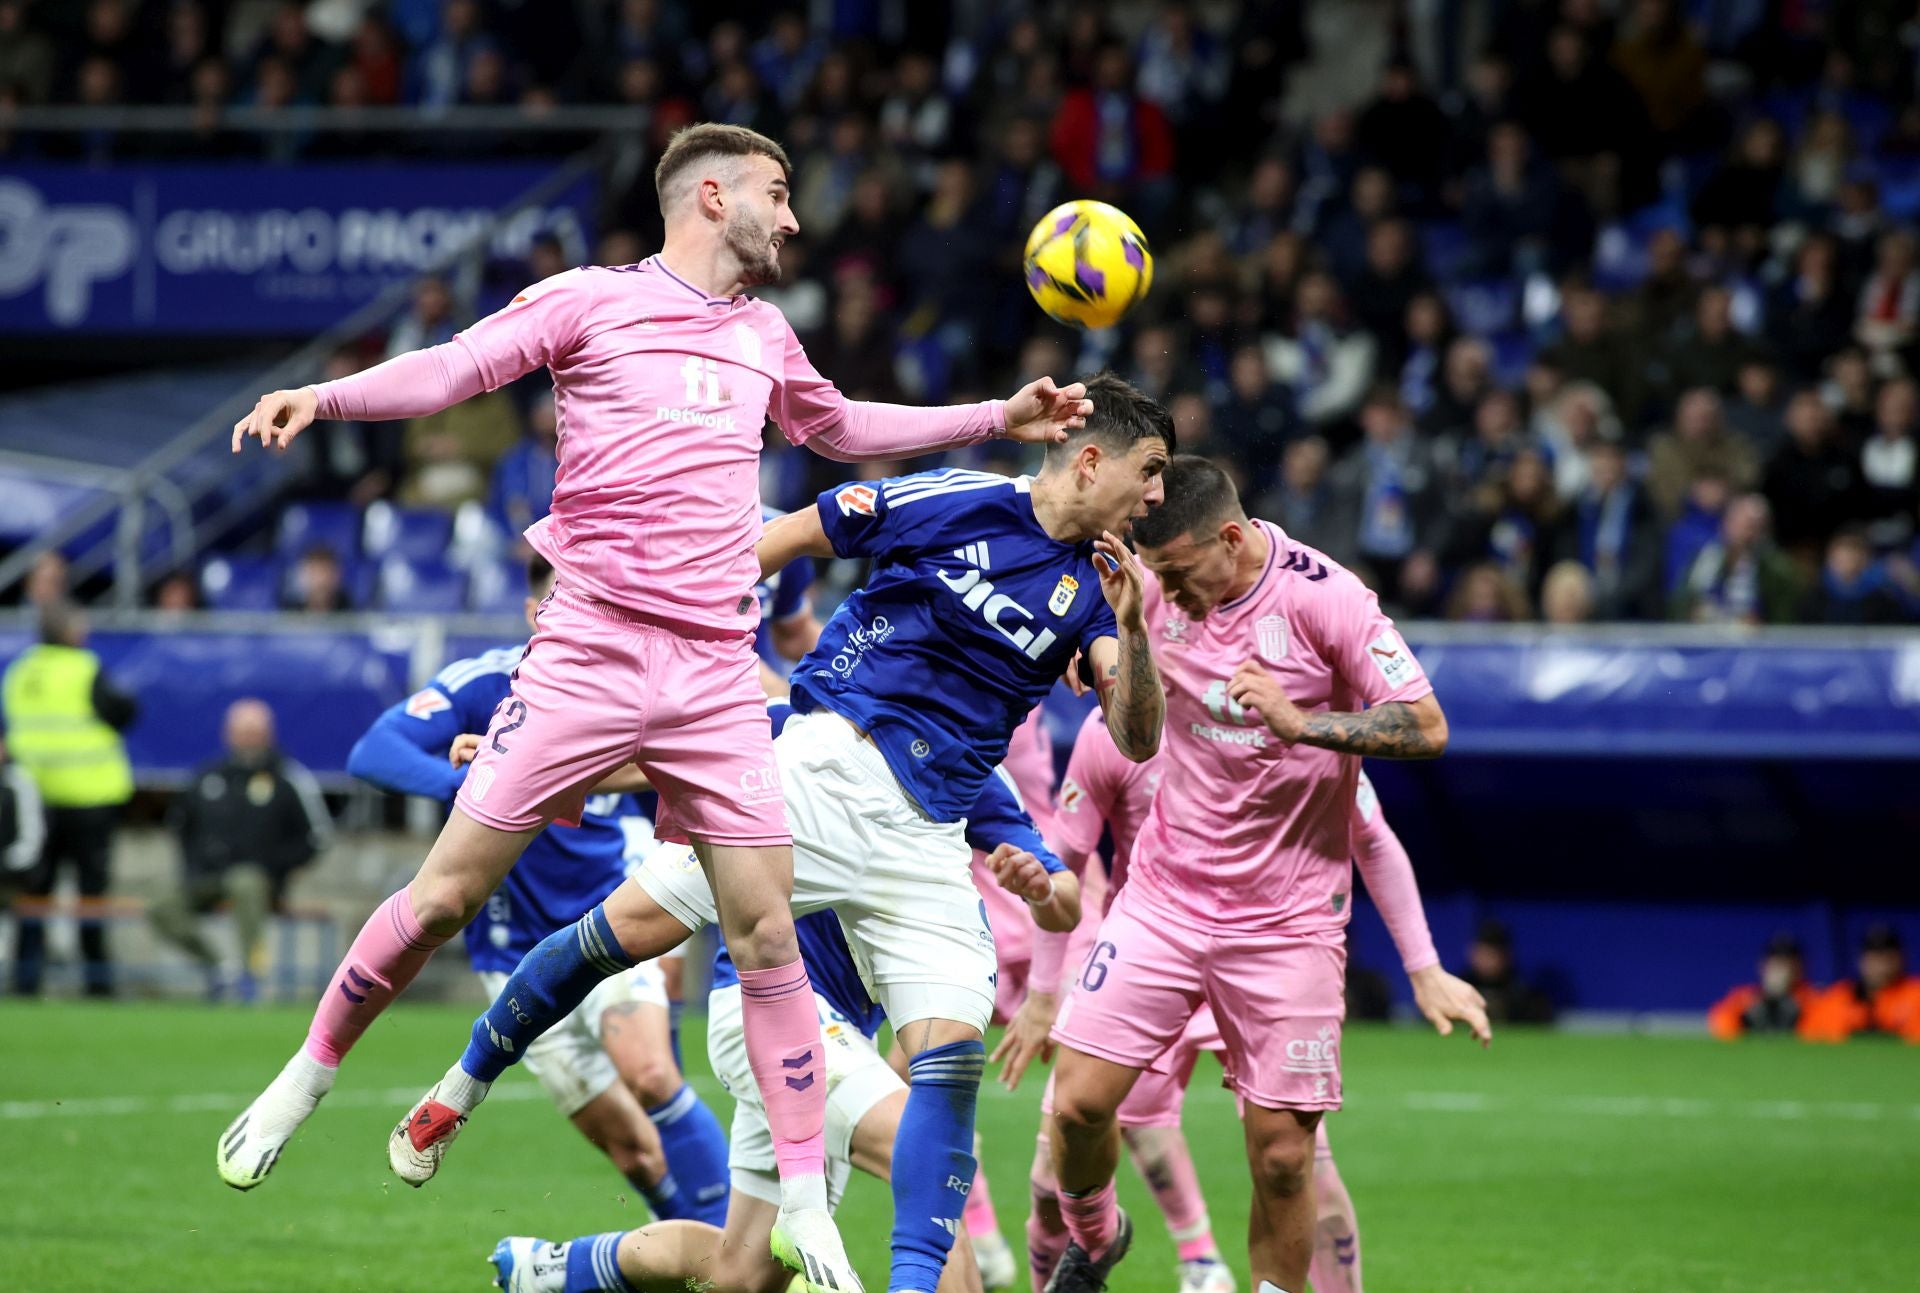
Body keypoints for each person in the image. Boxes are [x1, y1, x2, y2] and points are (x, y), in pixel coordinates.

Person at [221, 122, 1089, 1290]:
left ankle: (809, 1216)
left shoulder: (766, 337)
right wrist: (321, 398)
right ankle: (307, 1075)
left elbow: (842, 430)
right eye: (778, 196)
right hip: (588, 651)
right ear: (712, 195)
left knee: (767, 932)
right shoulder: (590, 301)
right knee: (445, 895)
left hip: (714, 675)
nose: (792, 219)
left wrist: (995, 417)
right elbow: (453, 370)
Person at [411, 375, 1170, 1293]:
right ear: (1091, 459)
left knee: (757, 1258)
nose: (1158, 496)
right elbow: (793, 538)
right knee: (625, 933)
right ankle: (463, 1082)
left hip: (921, 835)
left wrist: (1133, 630)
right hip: (822, 774)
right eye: (1151, 471)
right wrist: (631, 690)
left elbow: (1135, 739)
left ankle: (552, 1269)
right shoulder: (956, 499)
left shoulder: (1094, 598)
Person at [1041, 456, 1464, 1293]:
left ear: (1231, 539)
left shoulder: (1327, 597)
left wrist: (1302, 722)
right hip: (1162, 899)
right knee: (1080, 1103)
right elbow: (1130, 736)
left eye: (1184, 574)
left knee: (1280, 1158)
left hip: (1288, 922)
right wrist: (1125, 632)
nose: (1174, 596)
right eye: (1159, 575)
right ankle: (1098, 1234)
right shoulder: (1148, 591)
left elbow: (1427, 726)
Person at [488, 698, 1075, 1293]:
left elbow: (1064, 896)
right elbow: (653, 750)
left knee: (740, 1273)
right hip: (760, 1009)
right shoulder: (809, 720)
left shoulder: (974, 771)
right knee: (922, 1154)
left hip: (843, 1035)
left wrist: (1042, 887)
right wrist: (520, 763)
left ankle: (551, 1268)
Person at [1008, 708, 1487, 1293]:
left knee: (1297, 1164)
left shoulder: (1291, 716)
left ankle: (1204, 1260)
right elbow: (1067, 857)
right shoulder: (1115, 727)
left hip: (1267, 952)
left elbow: (1373, 837)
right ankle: (1121, 1247)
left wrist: (1425, 966)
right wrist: (1042, 993)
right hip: (1153, 948)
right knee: (1056, 1161)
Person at [344, 553, 730, 1226]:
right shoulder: (488, 681)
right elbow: (373, 750)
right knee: (635, 1152)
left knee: (650, 1073)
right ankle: (695, 1255)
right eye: (566, 601)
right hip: (512, 947)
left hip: (615, 899)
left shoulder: (637, 681)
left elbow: (700, 747)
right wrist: (464, 785)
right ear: (534, 614)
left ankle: (738, 1255)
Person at [150, 699, 332, 1000]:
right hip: (206, 878)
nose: (248, 737)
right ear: (228, 733)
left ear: (269, 734)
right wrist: (193, 867)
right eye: (242, 730)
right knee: (160, 905)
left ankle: (252, 976)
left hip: (261, 882)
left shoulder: (287, 777)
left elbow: (318, 836)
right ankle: (220, 968)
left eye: (255, 731)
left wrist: (278, 869)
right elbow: (180, 826)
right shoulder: (208, 777)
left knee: (245, 880)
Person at [2, 601, 136, 997]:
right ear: (70, 632)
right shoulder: (84, 669)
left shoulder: (18, 671)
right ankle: (97, 983)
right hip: (89, 796)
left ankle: (26, 981)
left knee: (33, 893)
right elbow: (124, 711)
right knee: (91, 896)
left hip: (36, 797)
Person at [1800, 924, 1920, 1043]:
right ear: (1861, 961)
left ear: (1901, 959)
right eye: (1874, 958)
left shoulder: (1915, 993)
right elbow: (1809, 1034)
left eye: (1888, 958)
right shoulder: (1840, 995)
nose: (1881, 966)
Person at [1708, 933, 1818, 1039]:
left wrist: (1790, 1007)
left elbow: (1822, 1031)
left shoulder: (1811, 999)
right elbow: (1720, 1026)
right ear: (1762, 967)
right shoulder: (1745, 998)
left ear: (1800, 969)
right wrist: (1750, 1014)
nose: (1781, 970)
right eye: (1775, 963)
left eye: (1787, 963)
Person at [1460, 918, 1556, 1024]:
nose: (1487, 961)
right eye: (1483, 953)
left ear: (1505, 956)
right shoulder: (1459, 988)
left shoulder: (1523, 995)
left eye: (1492, 955)